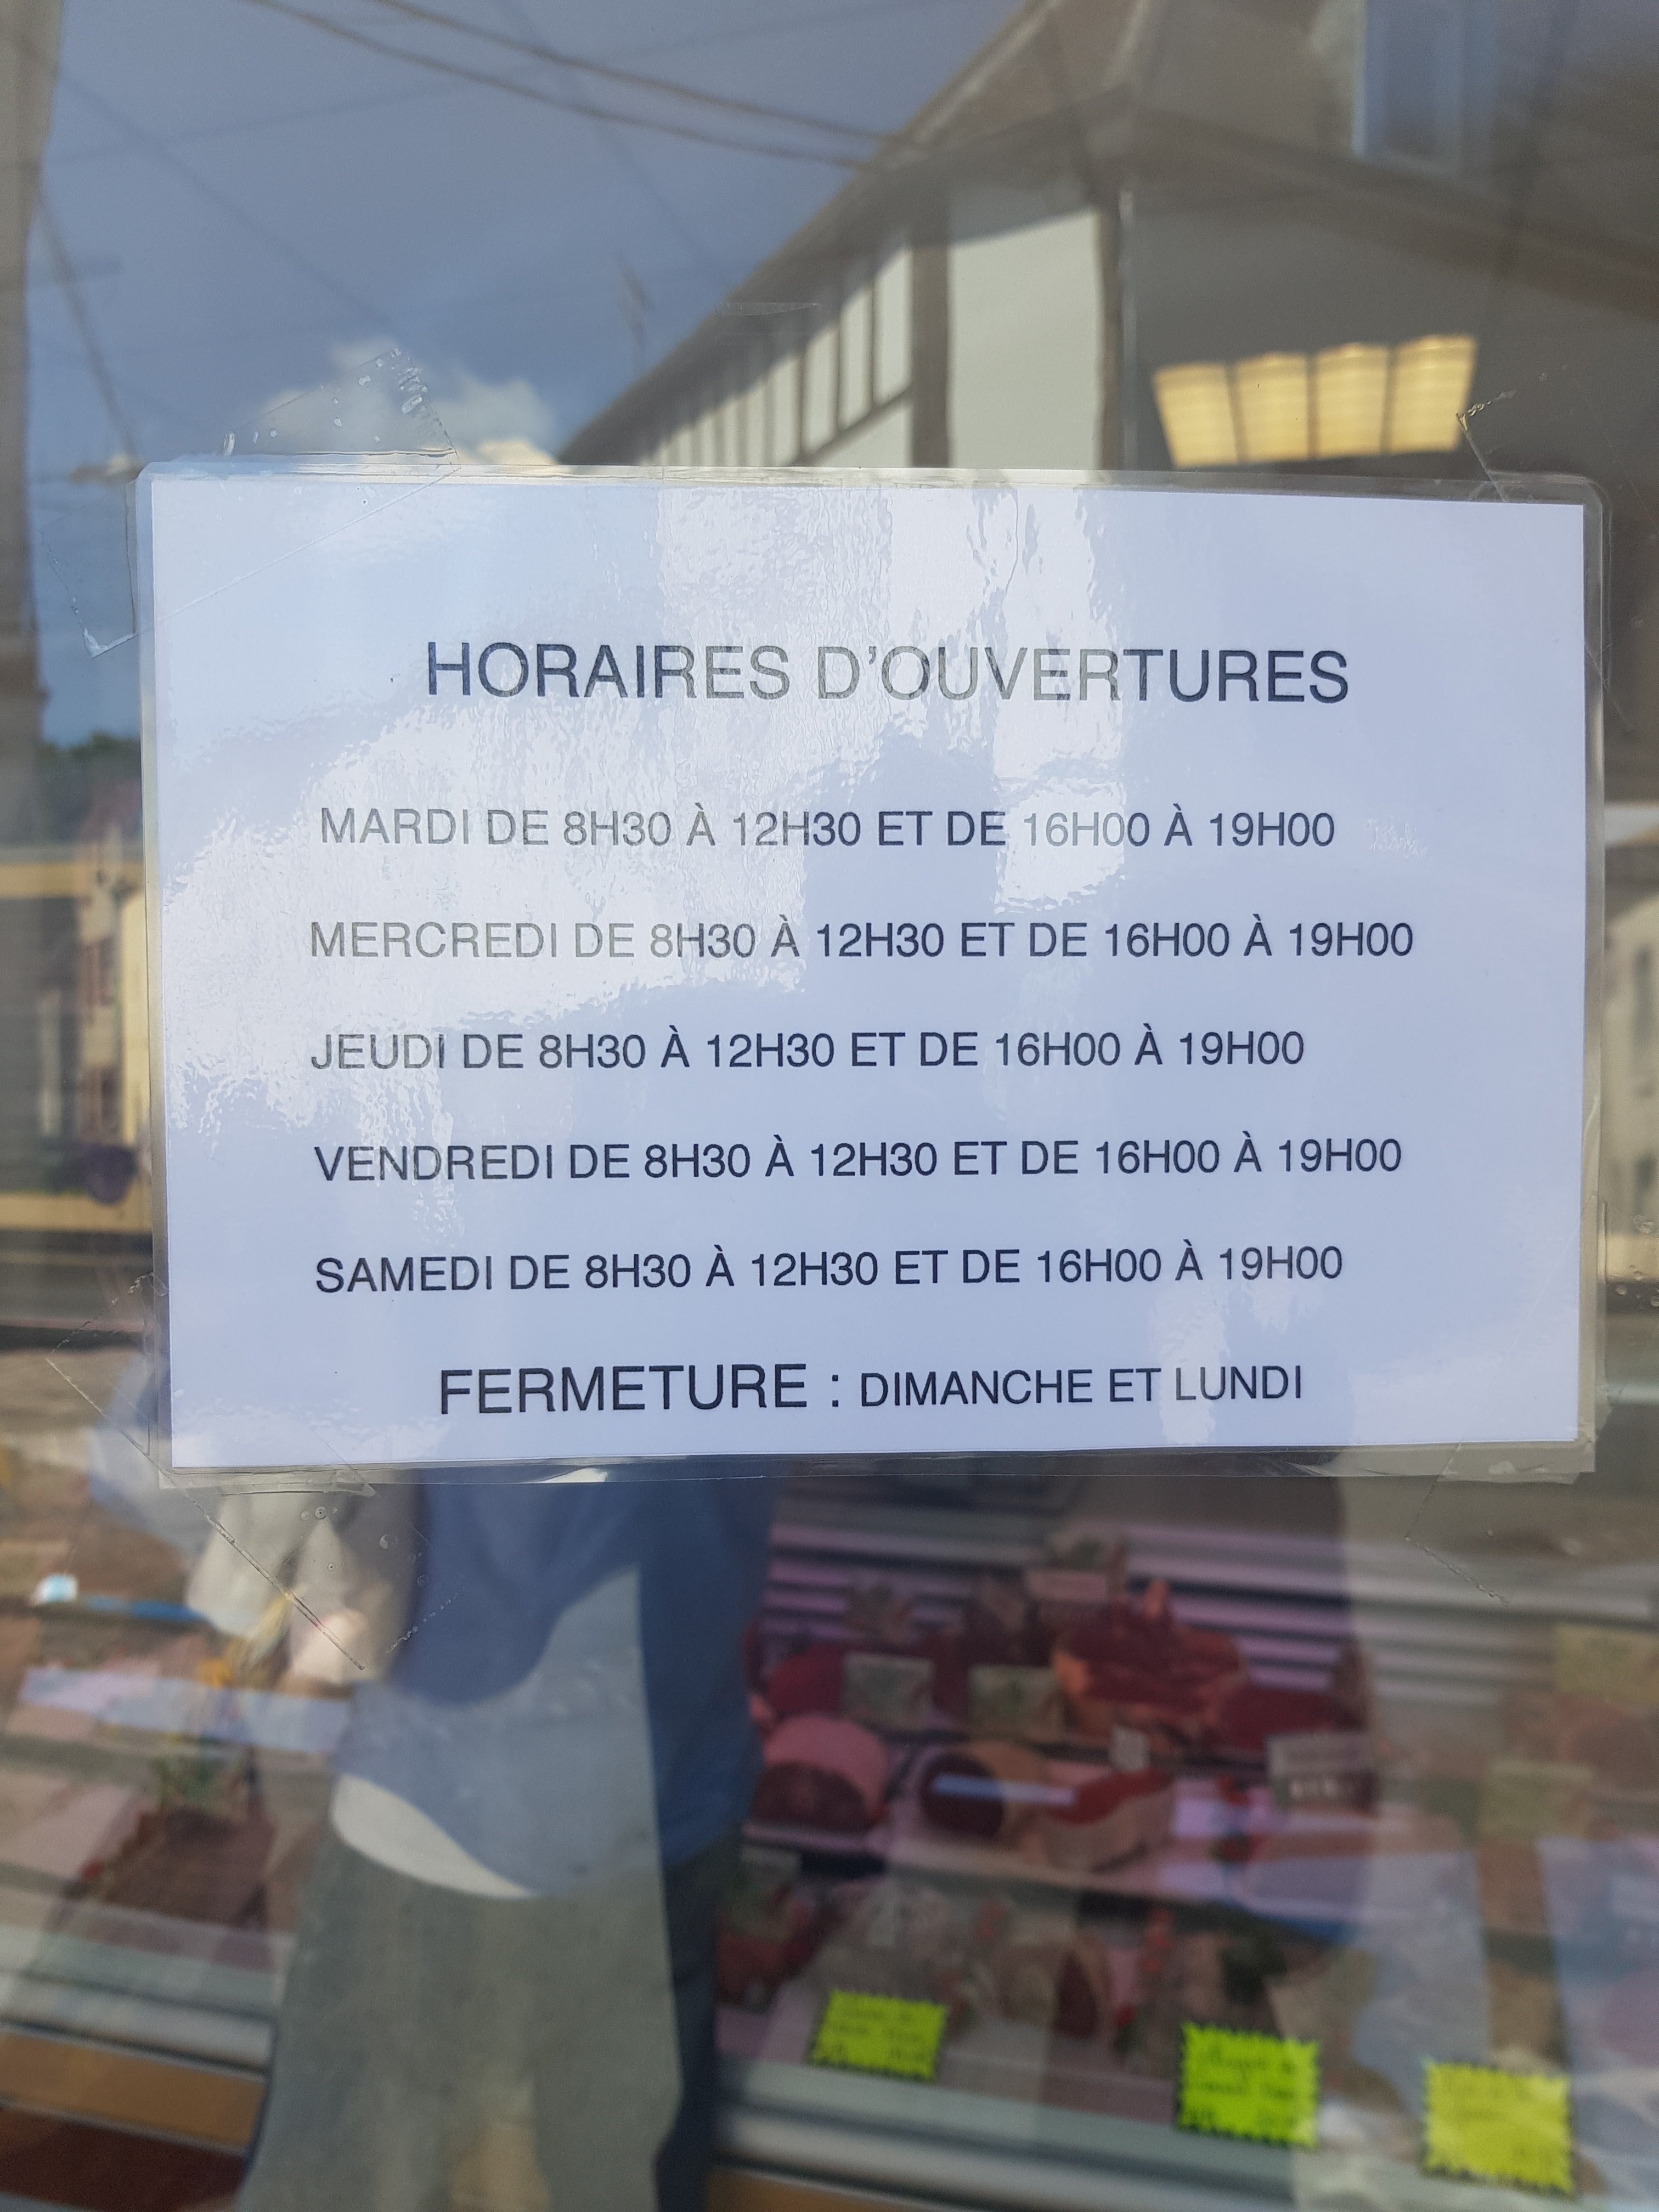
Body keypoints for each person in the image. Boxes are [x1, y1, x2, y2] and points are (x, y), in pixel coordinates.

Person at [236, 1466, 776, 2212]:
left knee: (348, 2180)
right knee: (616, 2178)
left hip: (440, 1796)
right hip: (670, 1783)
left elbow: (159, 1464)